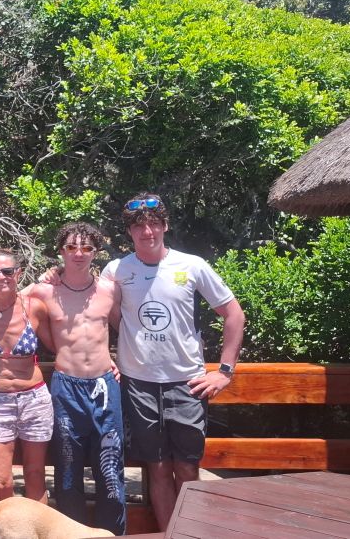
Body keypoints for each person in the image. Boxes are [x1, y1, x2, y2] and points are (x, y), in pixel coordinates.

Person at [103, 193, 246, 530]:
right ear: (129, 232)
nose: (147, 232)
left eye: (154, 224)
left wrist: (225, 372)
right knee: (156, 467)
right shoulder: (116, 270)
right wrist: (54, 276)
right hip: (138, 384)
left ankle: (190, 532)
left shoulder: (192, 265)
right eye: (139, 227)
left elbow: (234, 314)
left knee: (186, 467)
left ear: (165, 225)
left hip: (187, 382)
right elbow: (95, 309)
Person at [29, 222, 126, 535]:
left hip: (105, 386)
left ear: (96, 252)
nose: (79, 253)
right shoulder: (44, 291)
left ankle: (112, 534)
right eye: (71, 247)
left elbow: (129, 330)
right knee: (68, 470)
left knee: (110, 469)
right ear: (61, 251)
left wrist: (121, 363)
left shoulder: (109, 290)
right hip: (66, 388)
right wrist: (43, 277)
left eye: (86, 247)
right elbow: (7, 303)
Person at [0, 250, 52, 505]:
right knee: (1, 481)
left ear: (18, 273)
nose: (1, 277)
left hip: (34, 399)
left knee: (35, 475)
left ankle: (37, 526)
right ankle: (8, 526)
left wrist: (106, 359)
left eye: (7, 271)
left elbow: (60, 345)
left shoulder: (34, 307)